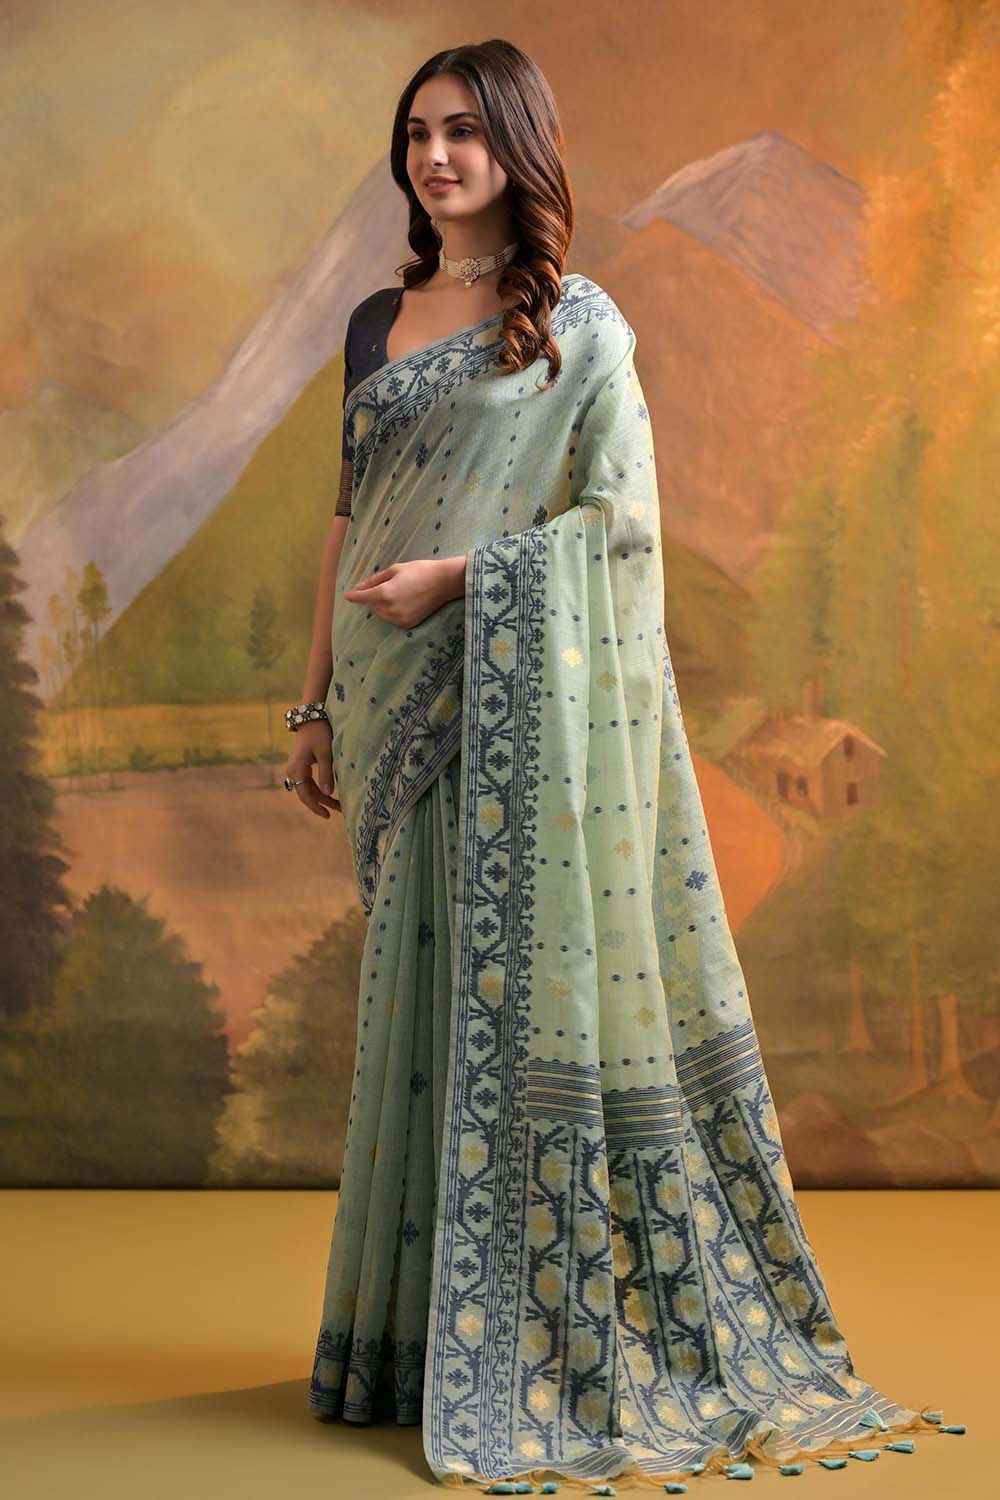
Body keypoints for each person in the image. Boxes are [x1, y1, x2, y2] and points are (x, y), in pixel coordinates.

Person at [289, 38, 955, 1494]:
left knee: (513, 1010)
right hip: (392, 709)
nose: (435, 157)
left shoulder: (577, 329)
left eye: (464, 132)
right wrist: (312, 703)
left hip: (504, 702)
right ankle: (414, 1345)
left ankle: (541, 1336)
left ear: (517, 147)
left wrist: (466, 579)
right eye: (417, 133)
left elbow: (622, 528)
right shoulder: (371, 324)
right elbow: (345, 517)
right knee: (417, 1020)